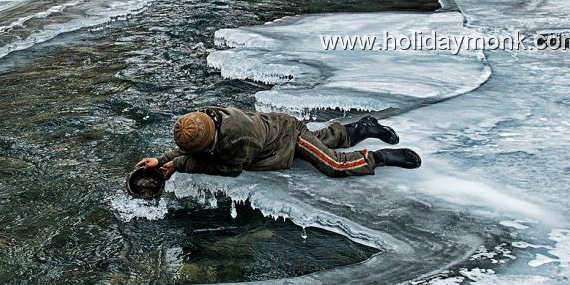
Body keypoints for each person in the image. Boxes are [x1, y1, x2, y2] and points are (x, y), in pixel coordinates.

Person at [136, 107, 421, 179]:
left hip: (286, 137)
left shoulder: (239, 139)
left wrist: (179, 165)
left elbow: (229, 168)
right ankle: (362, 127)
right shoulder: (205, 119)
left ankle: (382, 157)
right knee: (323, 140)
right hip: (273, 131)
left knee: (333, 163)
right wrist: (162, 160)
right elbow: (194, 150)